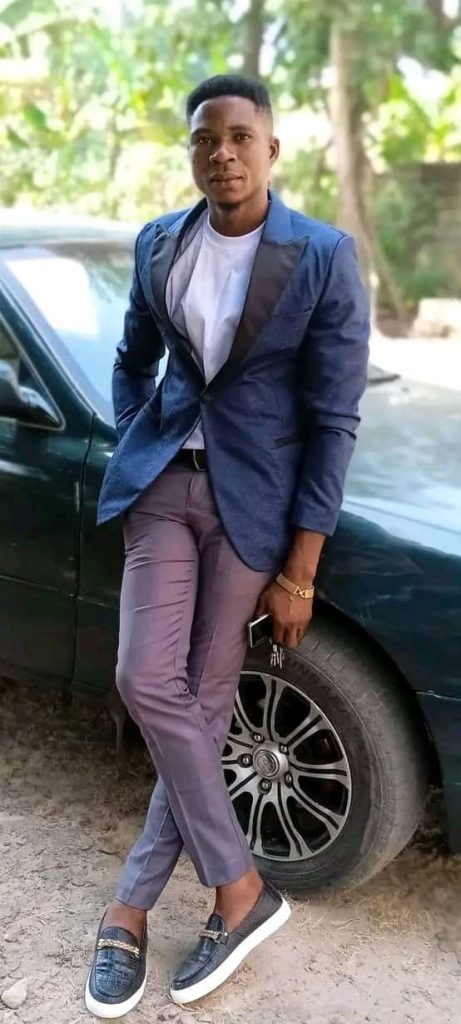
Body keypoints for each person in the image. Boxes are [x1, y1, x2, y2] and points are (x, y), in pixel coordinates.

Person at [85, 74, 370, 1017]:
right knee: (144, 678)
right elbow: (132, 359)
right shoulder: (159, 243)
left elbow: (333, 420)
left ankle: (128, 909)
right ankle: (240, 887)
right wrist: (139, 435)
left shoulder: (322, 256)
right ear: (192, 151)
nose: (223, 153)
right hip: (165, 491)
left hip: (254, 506)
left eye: (240, 137)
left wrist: (301, 570)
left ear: (270, 149)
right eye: (206, 138)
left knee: (203, 708)